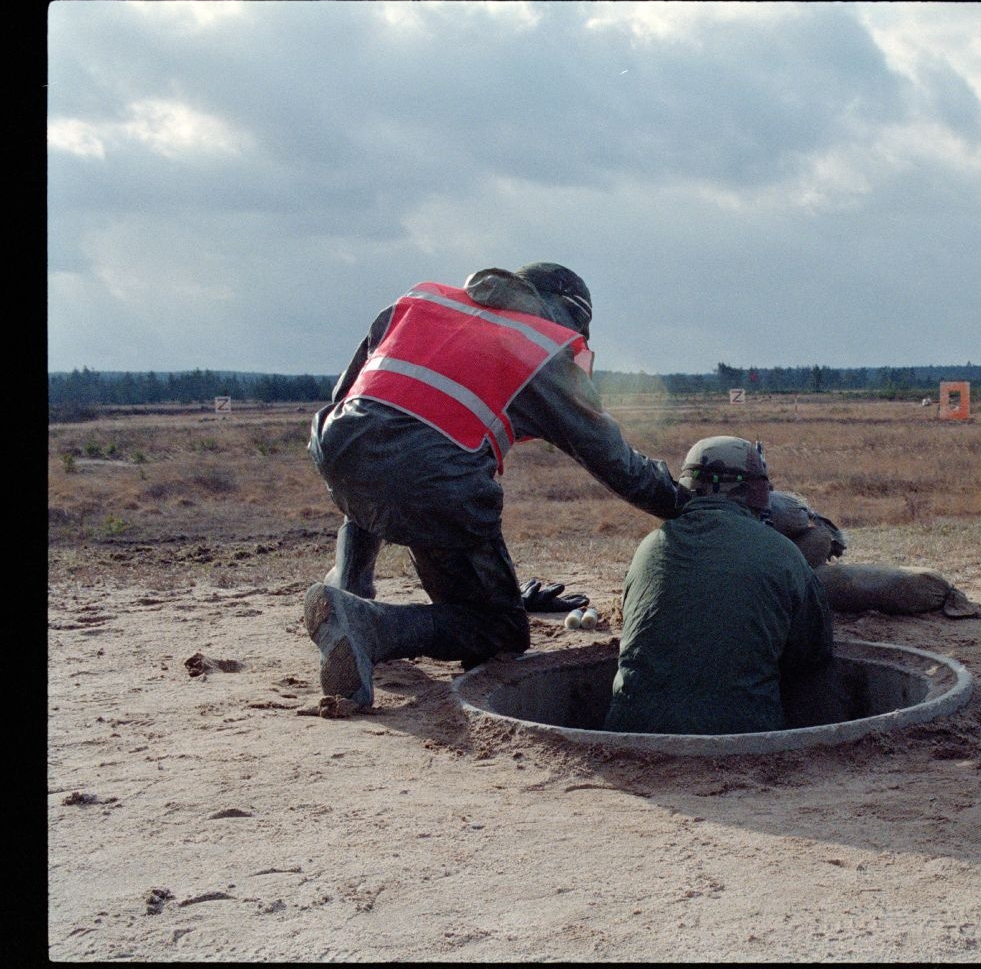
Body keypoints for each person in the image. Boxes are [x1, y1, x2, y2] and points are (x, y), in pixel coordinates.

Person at [303, 263, 691, 707]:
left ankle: (348, 585)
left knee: (378, 455)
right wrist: (694, 504)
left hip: (337, 443)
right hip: (428, 481)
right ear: (568, 313)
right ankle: (367, 624)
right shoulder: (541, 348)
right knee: (498, 629)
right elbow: (619, 466)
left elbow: (357, 406)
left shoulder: (420, 303)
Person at [604, 436, 834, 735]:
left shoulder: (648, 549)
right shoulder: (782, 553)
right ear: (757, 489)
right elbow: (813, 654)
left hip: (630, 735)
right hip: (742, 739)